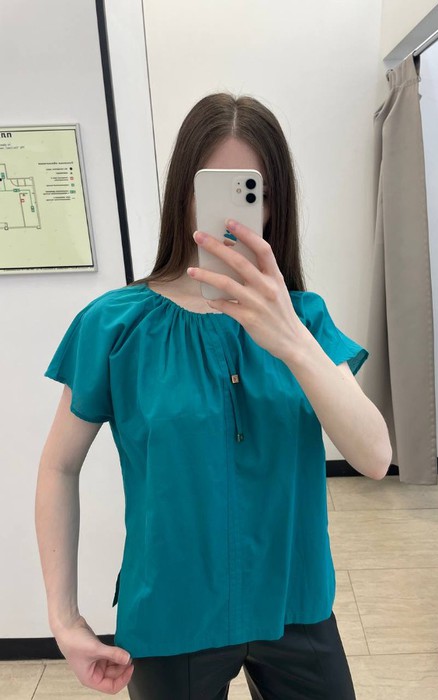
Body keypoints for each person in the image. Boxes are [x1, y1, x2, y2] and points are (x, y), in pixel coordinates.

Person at [36, 93, 391, 699]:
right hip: (171, 612)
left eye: (252, 192)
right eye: (212, 190)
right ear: (183, 193)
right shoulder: (115, 326)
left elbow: (376, 457)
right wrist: (63, 618)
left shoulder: (304, 319)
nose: (232, 218)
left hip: (296, 601)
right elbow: (58, 466)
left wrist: (289, 338)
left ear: (274, 205)